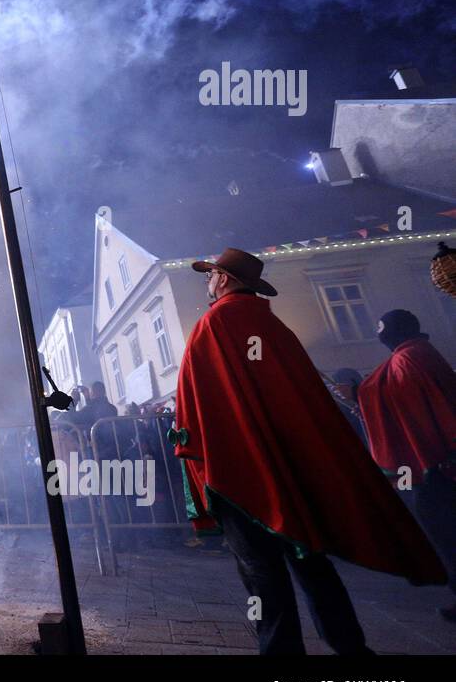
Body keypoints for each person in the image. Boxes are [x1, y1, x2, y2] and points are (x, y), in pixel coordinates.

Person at [175, 248, 446, 655]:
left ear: (225, 278)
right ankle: (351, 648)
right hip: (290, 470)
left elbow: (200, 407)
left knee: (262, 574)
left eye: (210, 275)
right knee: (312, 562)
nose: (207, 283)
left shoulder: (214, 324)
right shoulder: (270, 324)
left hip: (241, 474)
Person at [357, 309, 456, 622]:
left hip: (434, 466)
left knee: (446, 531)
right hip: (440, 463)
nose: (378, 332)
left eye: (381, 326)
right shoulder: (422, 353)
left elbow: (405, 402)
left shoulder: (408, 359)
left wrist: (361, 395)